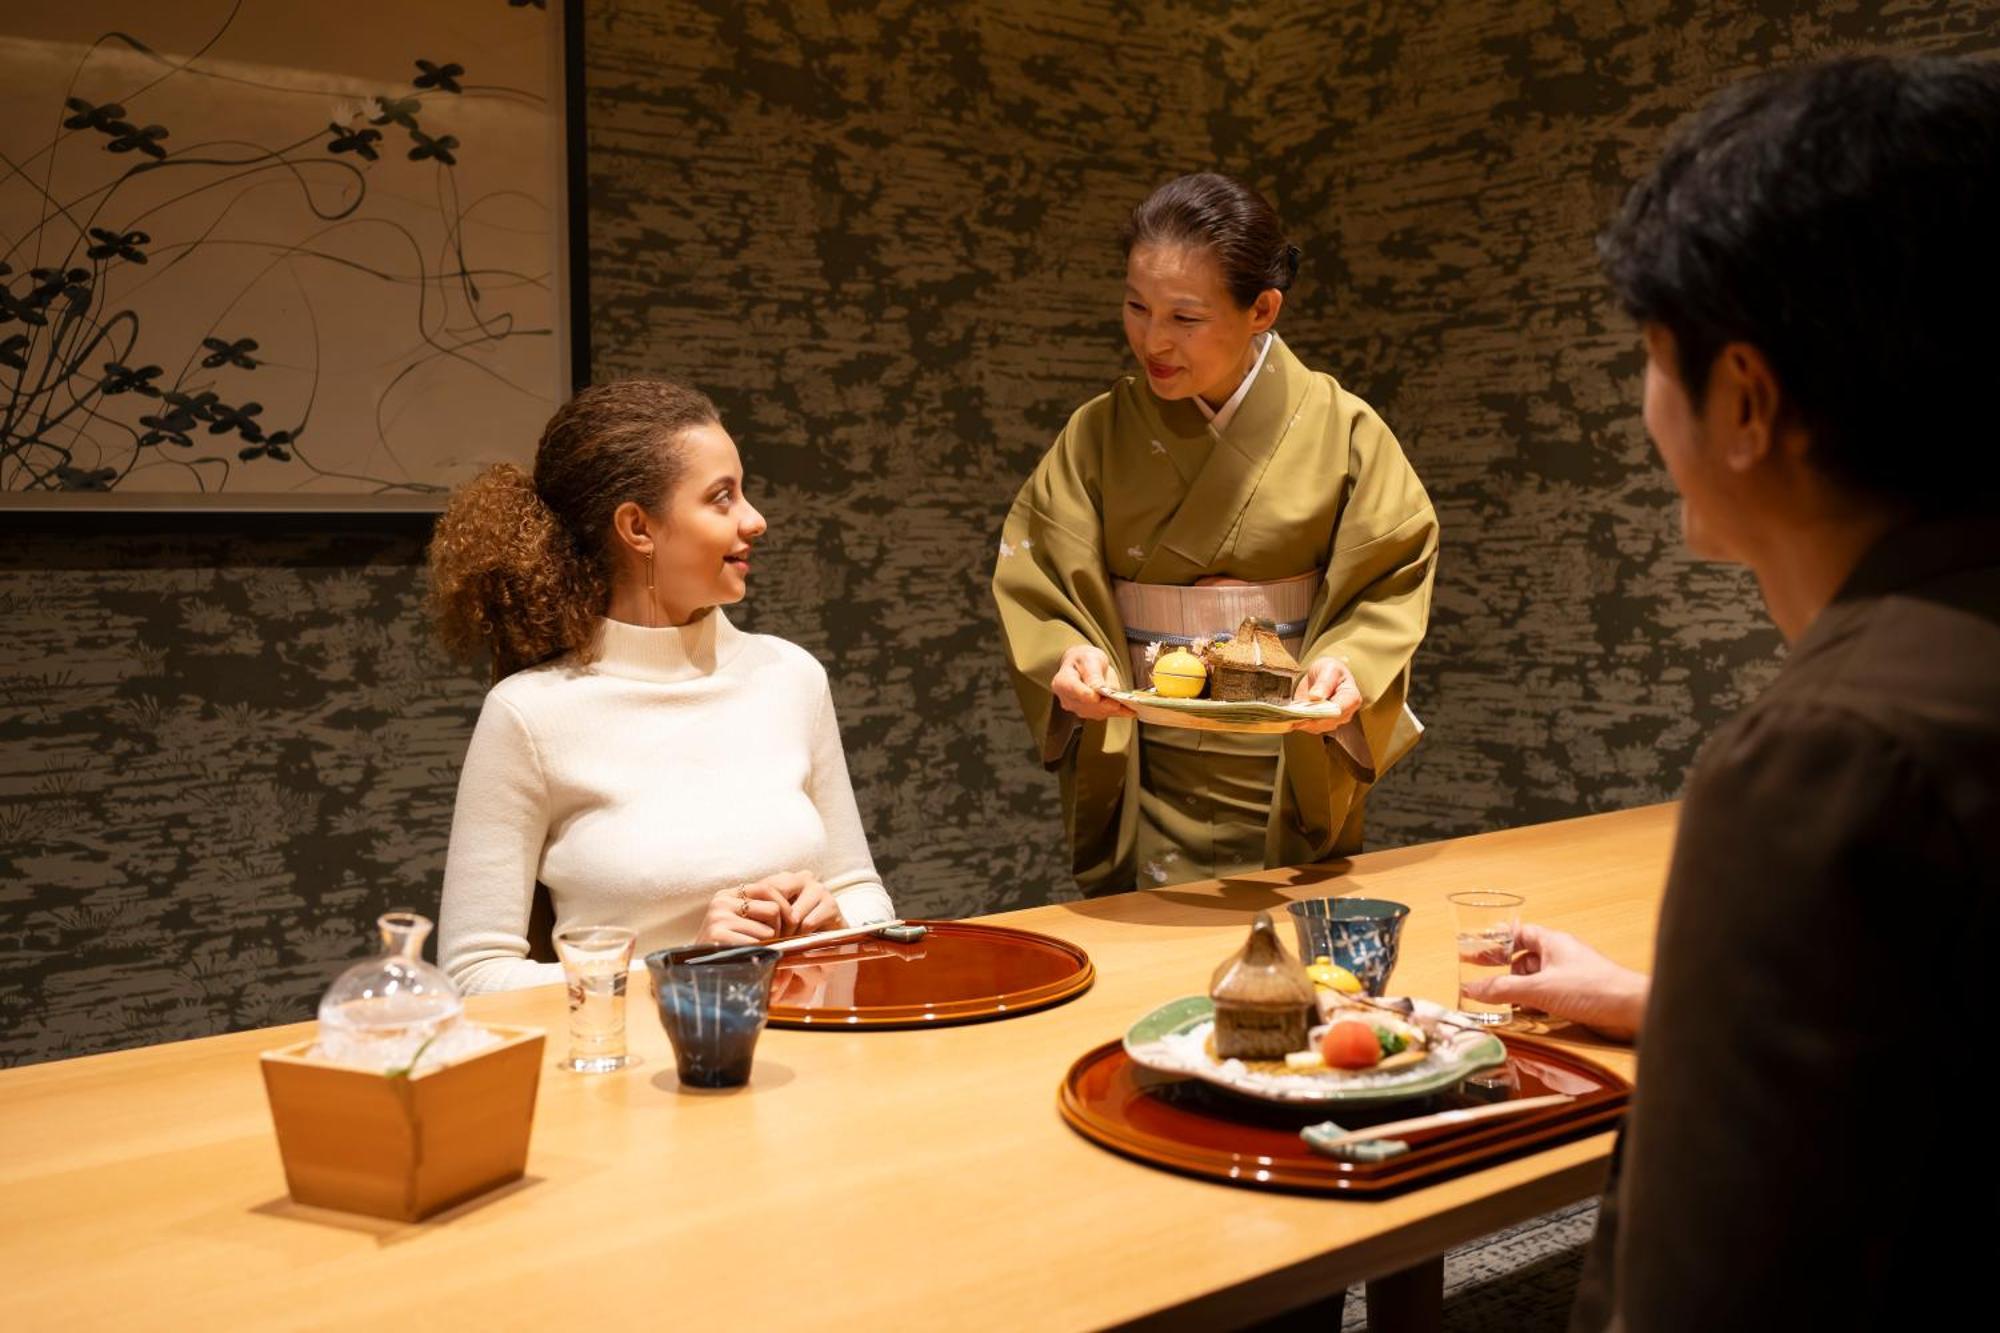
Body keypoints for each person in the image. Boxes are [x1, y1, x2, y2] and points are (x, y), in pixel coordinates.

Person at [1463, 55, 2000, 1330]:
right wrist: (1665, 1003)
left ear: (1744, 399)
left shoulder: (1826, 754)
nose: (1648, 406)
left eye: (1654, 356)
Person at [992, 173, 1437, 894]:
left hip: (1288, 764)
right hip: (1147, 767)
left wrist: (1348, 662)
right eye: (1137, 306)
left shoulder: (1344, 430)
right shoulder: (1097, 435)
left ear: (1262, 308)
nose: (1152, 339)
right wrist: (1070, 654)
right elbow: (1040, 579)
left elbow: (1390, 576)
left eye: (1185, 318)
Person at [428, 378, 895, 993]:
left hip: (813, 1056)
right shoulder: (528, 713)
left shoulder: (792, 677)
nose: (755, 519)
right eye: (722, 498)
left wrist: (835, 924)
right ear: (637, 527)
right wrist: (677, 967)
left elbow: (863, 893)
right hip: (633, 1074)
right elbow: (471, 977)